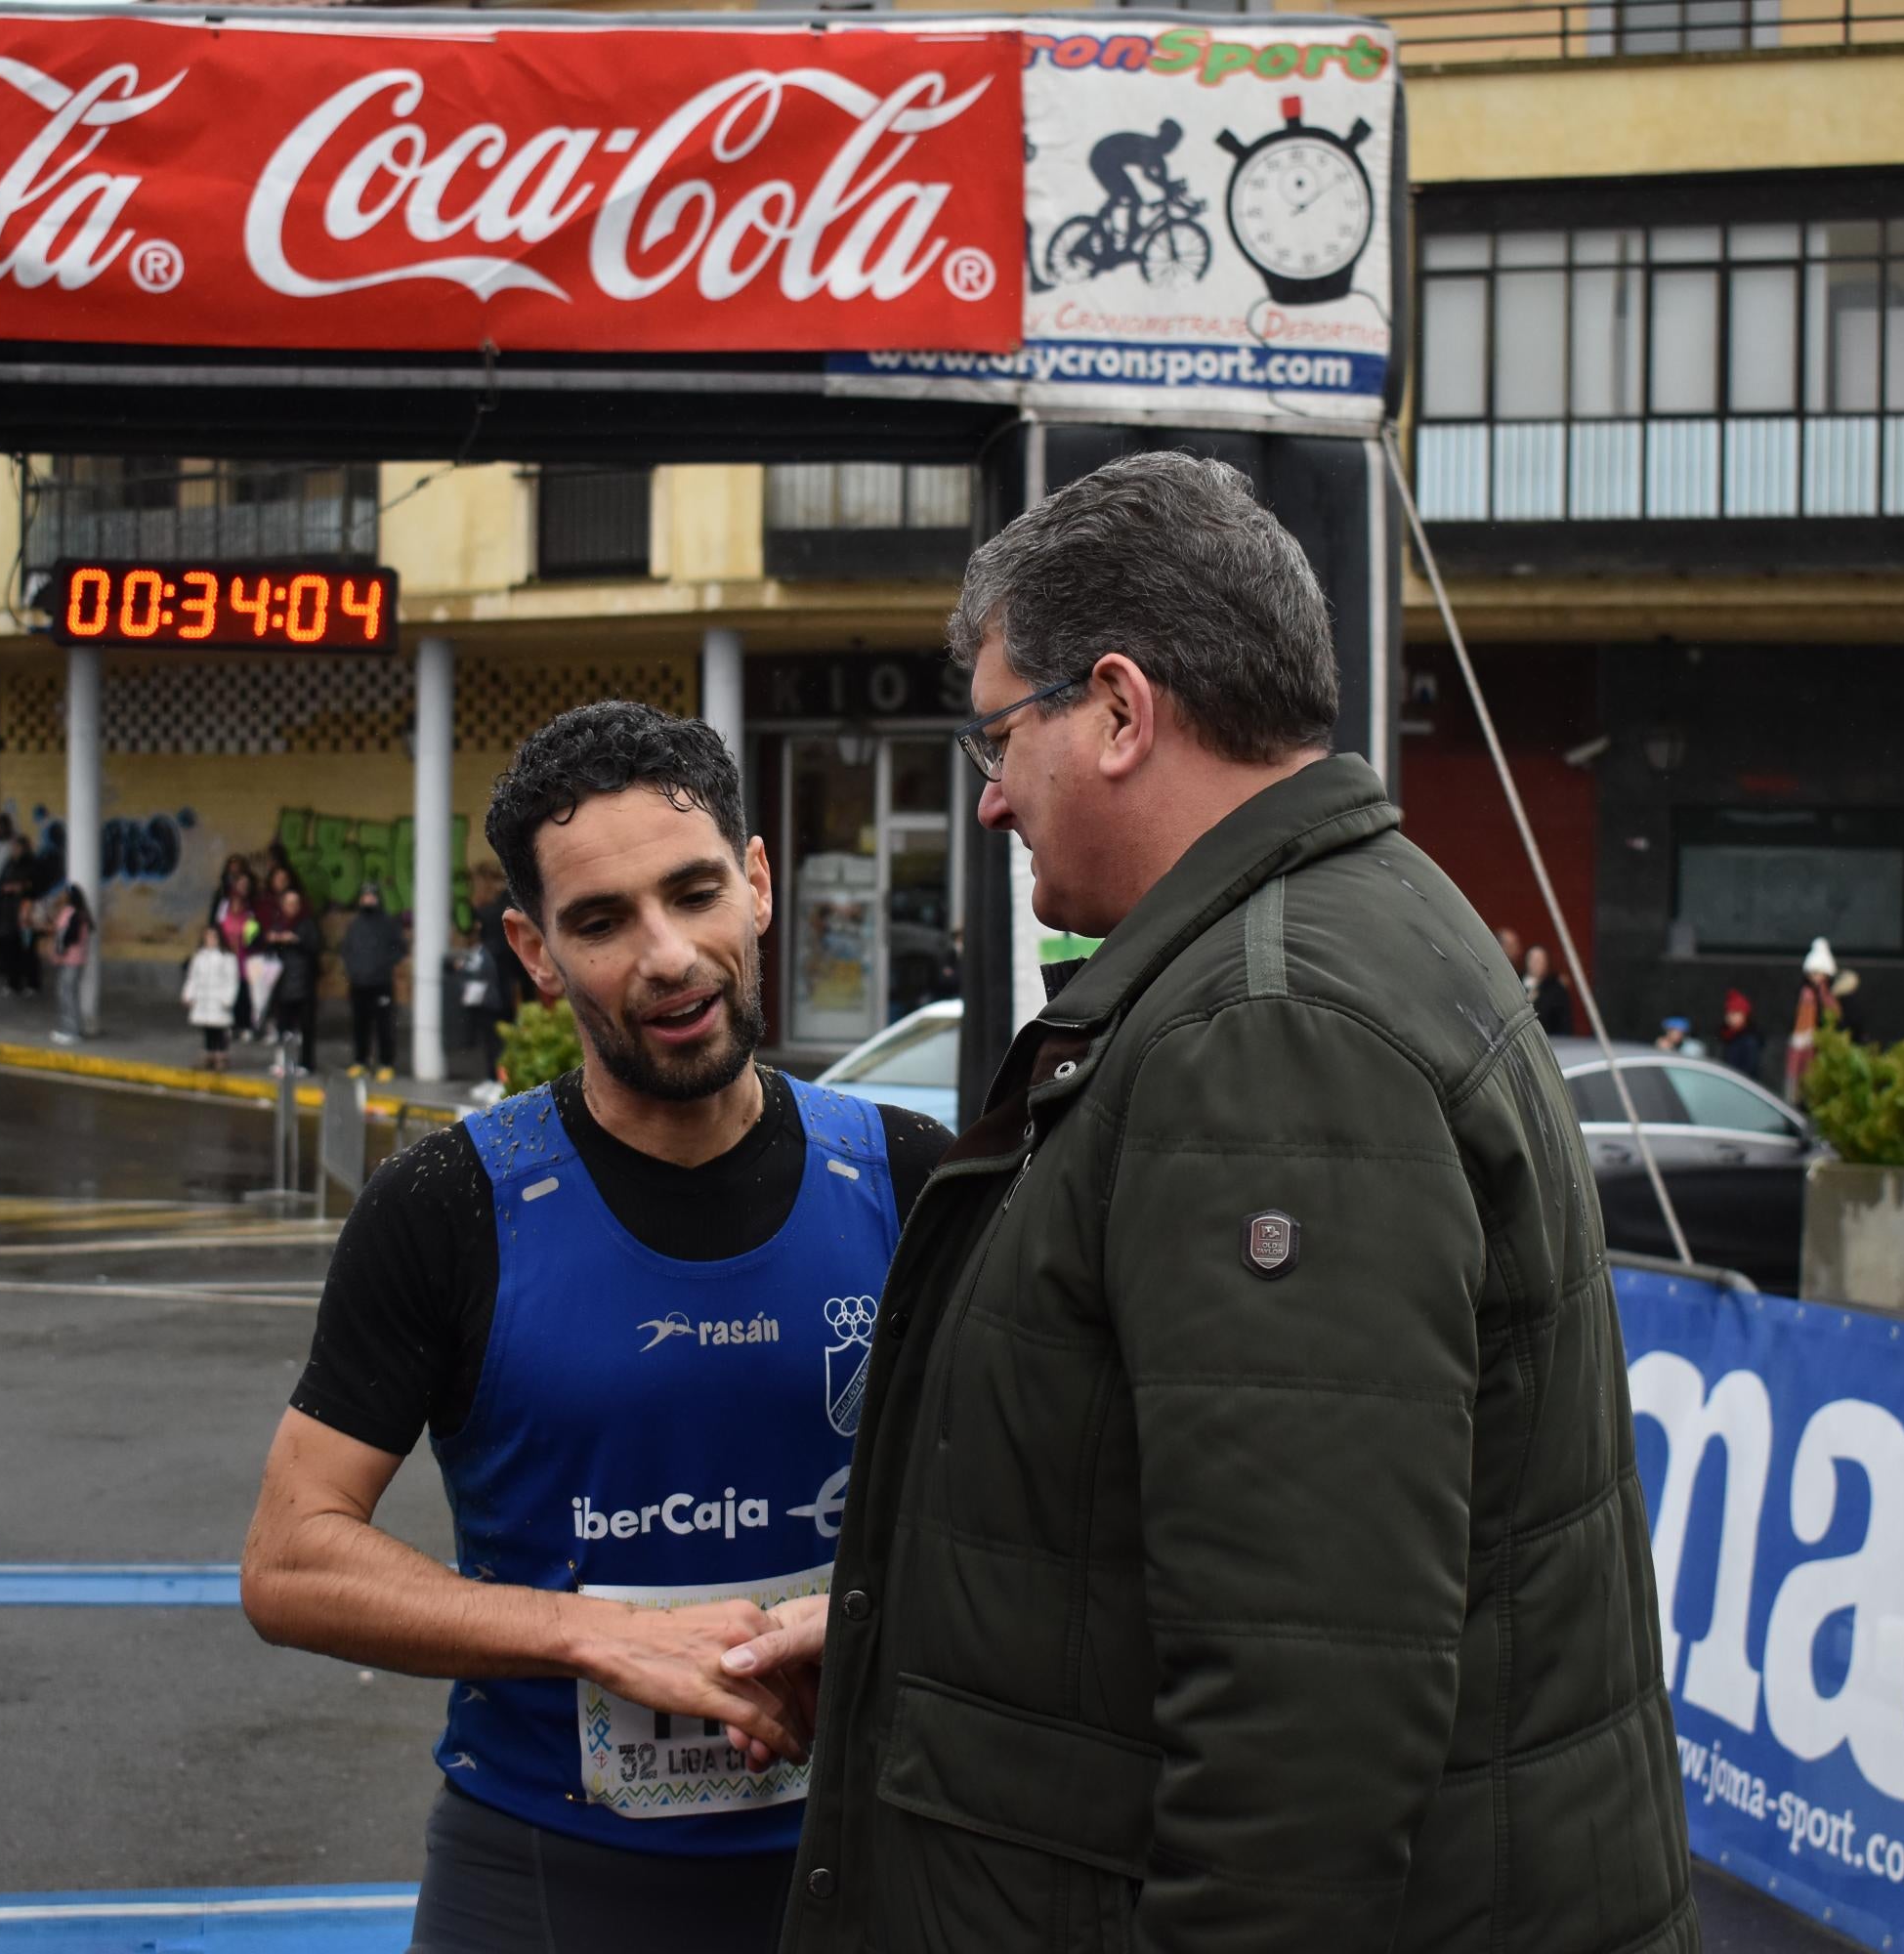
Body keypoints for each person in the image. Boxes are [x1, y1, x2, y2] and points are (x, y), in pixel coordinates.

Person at [720, 452, 1693, 1954]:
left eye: (998, 736)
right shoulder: (1352, 925)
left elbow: (1306, 1708)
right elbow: (1170, 1526)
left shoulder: (1268, 1026)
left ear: (1118, 711)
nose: (988, 800)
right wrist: (895, 1644)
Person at [239, 703, 953, 1953]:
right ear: (533, 947)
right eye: (601, 920)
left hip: (872, 1853)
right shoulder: (450, 1206)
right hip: (546, 1874)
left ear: (760, 882)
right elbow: (291, 1559)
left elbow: (1054, 1508)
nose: (667, 954)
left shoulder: (908, 1176)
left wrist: (887, 1617)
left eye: (694, 890)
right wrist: (597, 1636)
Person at [468, 859, 537, 1082]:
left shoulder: (490, 913)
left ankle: (498, 1078)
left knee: (496, 1035)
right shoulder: (521, 906)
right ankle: (507, 1078)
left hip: (500, 984)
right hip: (522, 980)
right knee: (517, 1033)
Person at [339, 882, 406, 1079]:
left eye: (371, 896)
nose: (368, 899)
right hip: (358, 983)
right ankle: (360, 1061)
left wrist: (384, 965)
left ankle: (386, 1063)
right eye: (365, 896)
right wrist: (352, 969)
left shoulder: (388, 923)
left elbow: (400, 949)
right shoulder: (355, 924)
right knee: (360, 1025)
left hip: (381, 983)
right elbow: (346, 950)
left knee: (384, 1025)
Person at [261, 886, 323, 1077]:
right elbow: (267, 954)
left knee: (305, 1027)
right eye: (287, 903)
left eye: (295, 903)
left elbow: (315, 947)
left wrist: (296, 940)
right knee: (283, 1027)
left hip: (303, 985)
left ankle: (306, 1063)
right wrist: (272, 940)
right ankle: (283, 1062)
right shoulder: (279, 925)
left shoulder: (307, 925)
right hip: (282, 985)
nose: (291, 907)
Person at [1786, 935, 1839, 1104]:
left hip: (1823, 1046)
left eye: (1818, 973)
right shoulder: (1804, 995)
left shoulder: (1830, 996)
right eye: (1813, 973)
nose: (1815, 977)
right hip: (1805, 1045)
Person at [181, 924, 240, 1073]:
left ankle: (220, 1055)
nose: (210, 940)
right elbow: (193, 978)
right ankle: (208, 1054)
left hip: (218, 999)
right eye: (207, 936)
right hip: (204, 999)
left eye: (213, 937)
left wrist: (228, 998)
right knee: (207, 1028)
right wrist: (189, 994)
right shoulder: (200, 956)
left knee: (219, 1029)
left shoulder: (227, 957)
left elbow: (231, 980)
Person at [216, 866, 264, 1042]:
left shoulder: (252, 909)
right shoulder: (224, 905)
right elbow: (218, 927)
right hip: (227, 955)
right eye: (241, 884)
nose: (243, 888)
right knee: (228, 990)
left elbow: (255, 932)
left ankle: (245, 1025)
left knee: (245, 992)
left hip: (245, 956)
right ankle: (229, 1024)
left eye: (246, 884)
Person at [0, 836, 44, 998]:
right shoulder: (8, 864)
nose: (13, 851)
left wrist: (19, 887)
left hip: (25, 912)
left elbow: (36, 886)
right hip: (8, 912)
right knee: (10, 947)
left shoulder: (32, 864)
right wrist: (5, 888)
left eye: (16, 847)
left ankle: (32, 983)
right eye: (12, 847)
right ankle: (12, 982)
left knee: (28, 949)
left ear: (23, 848)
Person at [45, 884, 93, 1043]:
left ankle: (71, 1031)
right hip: (71, 960)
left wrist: (60, 948)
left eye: (64, 894)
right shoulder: (76, 913)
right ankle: (69, 1028)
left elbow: (69, 937)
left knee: (67, 995)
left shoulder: (73, 914)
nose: (61, 896)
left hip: (70, 960)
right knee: (66, 994)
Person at [1523, 941, 1573, 1036]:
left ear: (1546, 963)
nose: (1536, 964)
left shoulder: (1556, 989)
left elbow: (1564, 1022)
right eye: (1533, 960)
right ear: (1527, 961)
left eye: (1540, 960)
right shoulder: (1518, 983)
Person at [1719, 987, 1763, 1081]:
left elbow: (1748, 1071)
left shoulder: (1749, 1041)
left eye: (1735, 1013)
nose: (1730, 1017)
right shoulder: (1725, 1036)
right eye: (1729, 1013)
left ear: (1744, 1016)